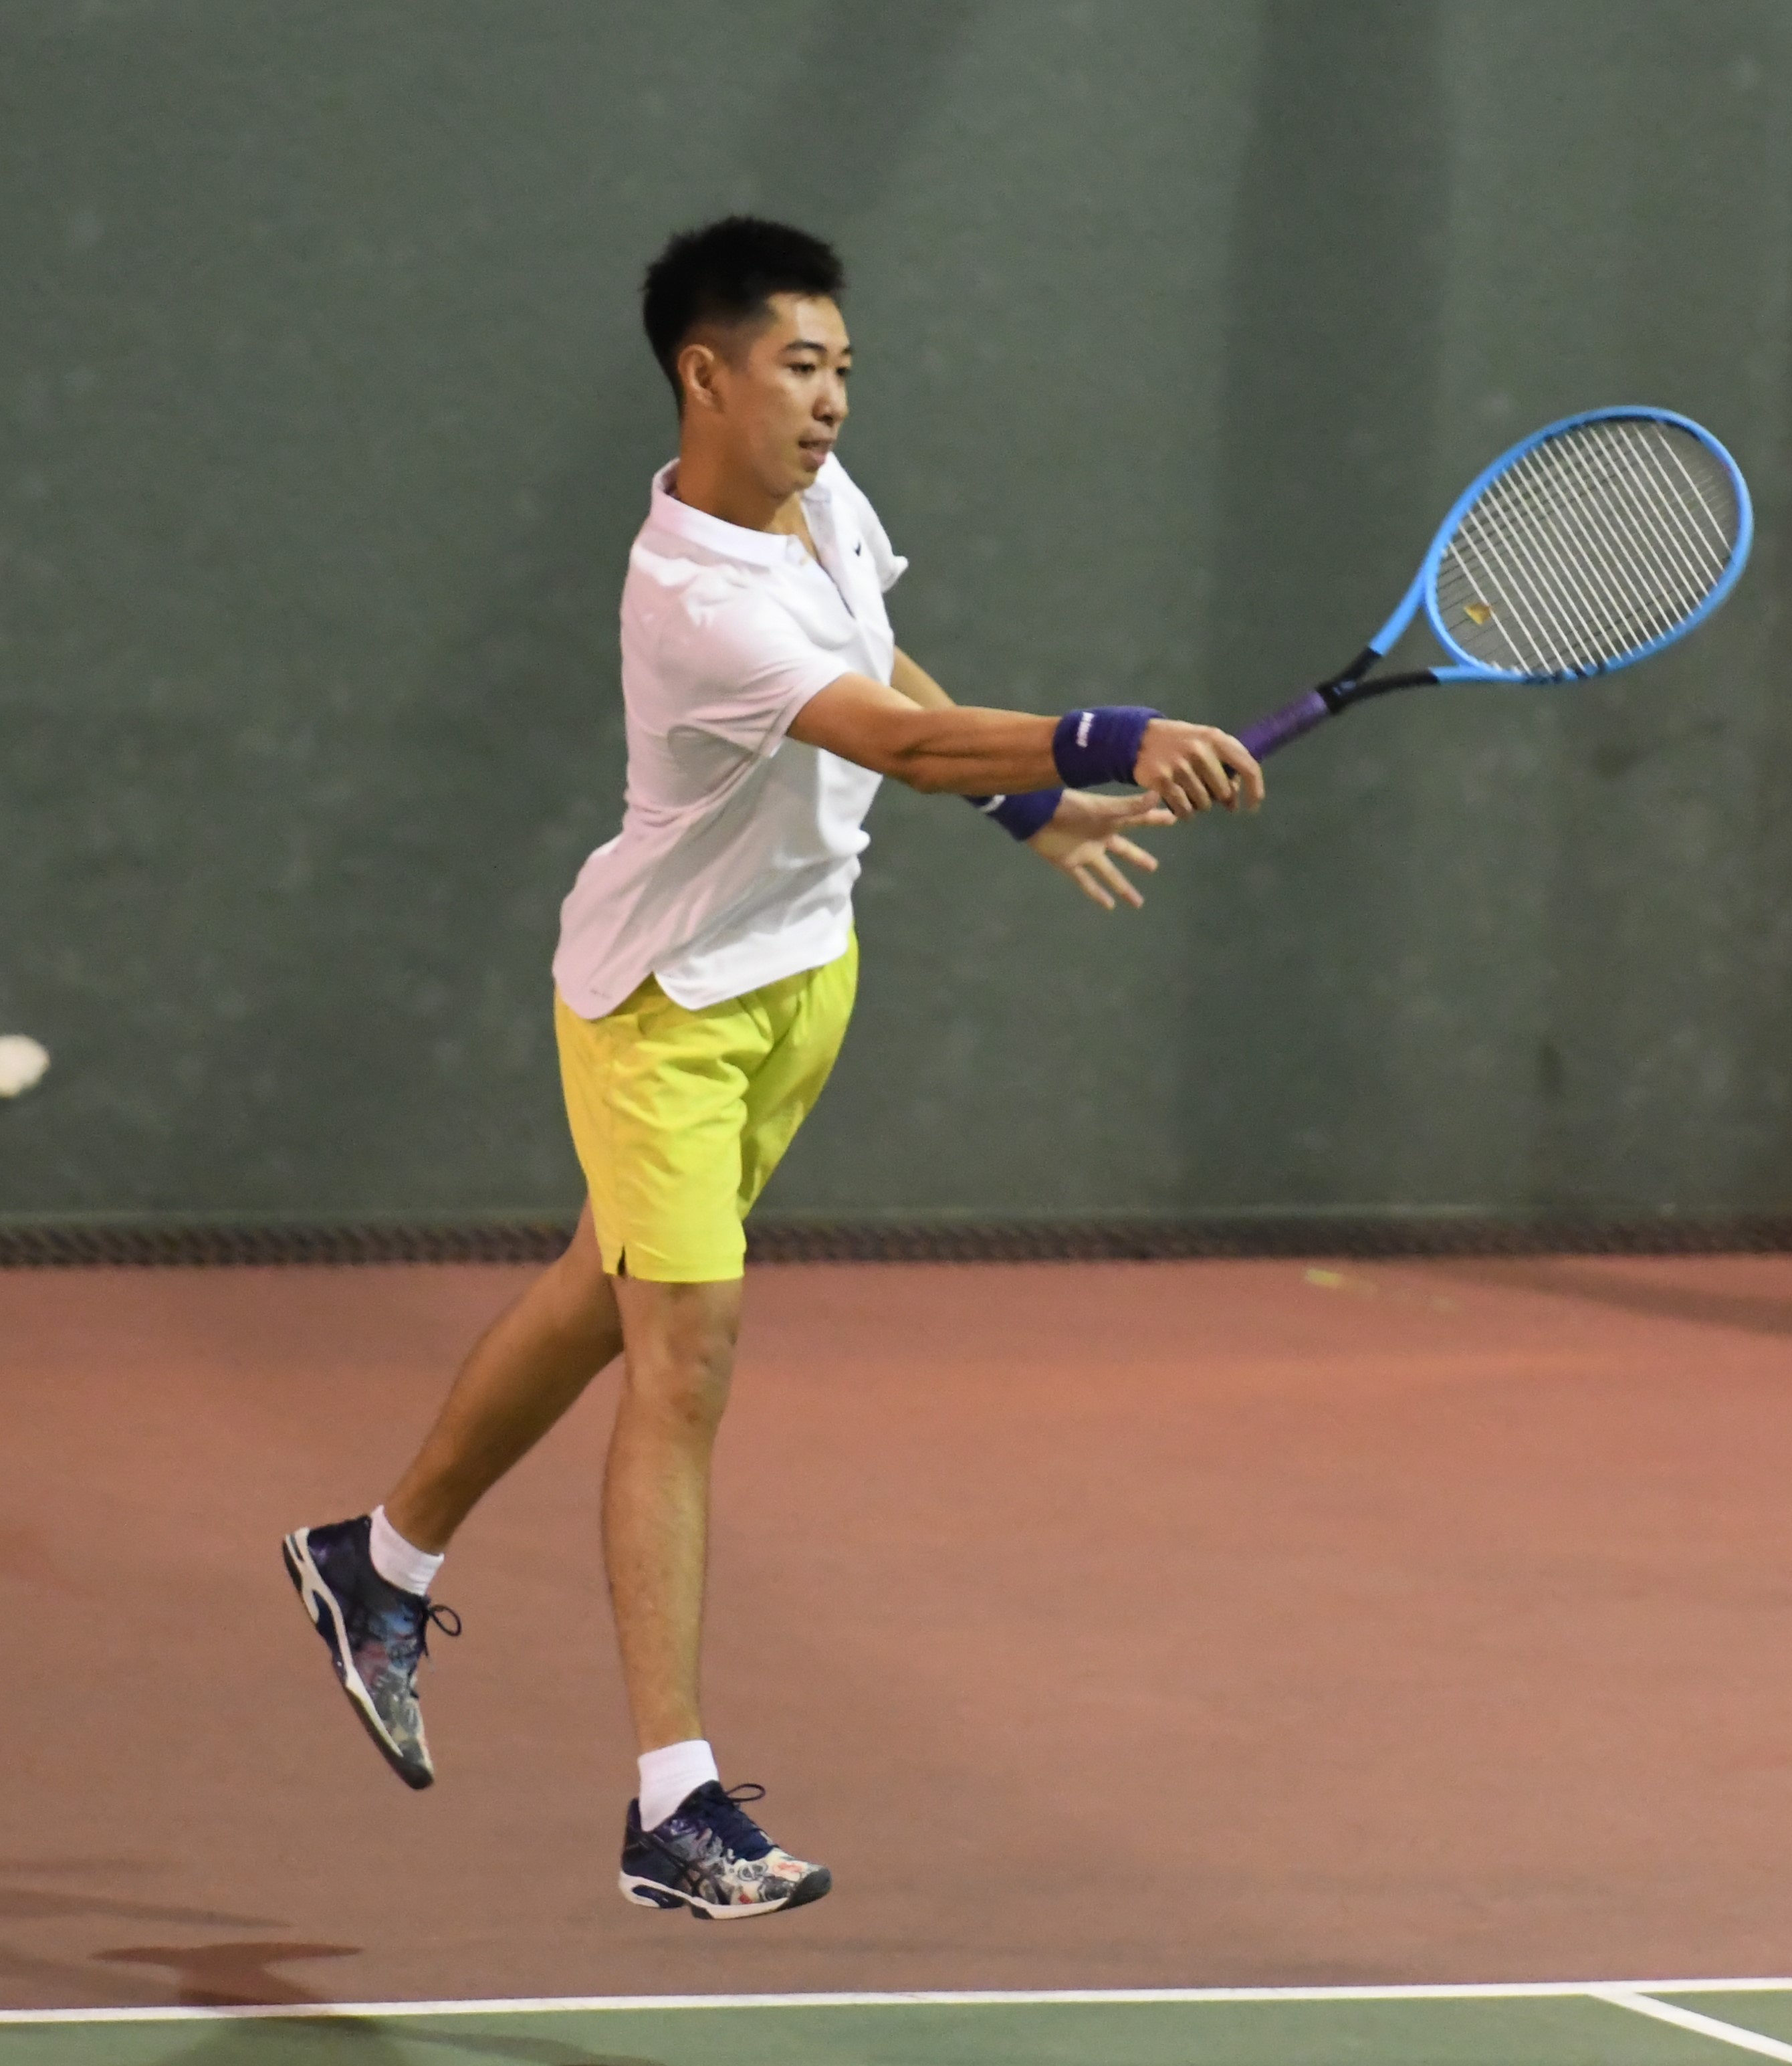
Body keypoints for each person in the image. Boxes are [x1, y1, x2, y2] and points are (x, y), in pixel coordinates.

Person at [283, 216, 1264, 1921]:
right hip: (665, 1010)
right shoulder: (693, 599)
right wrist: (1108, 736)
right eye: (801, 368)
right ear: (705, 374)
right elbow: (889, 736)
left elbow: (883, 667)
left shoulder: (820, 504)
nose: (831, 400)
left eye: (843, 370)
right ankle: (672, 1805)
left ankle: (373, 1562)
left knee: (603, 1294)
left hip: (802, 981)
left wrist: (1031, 806)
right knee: (686, 1359)